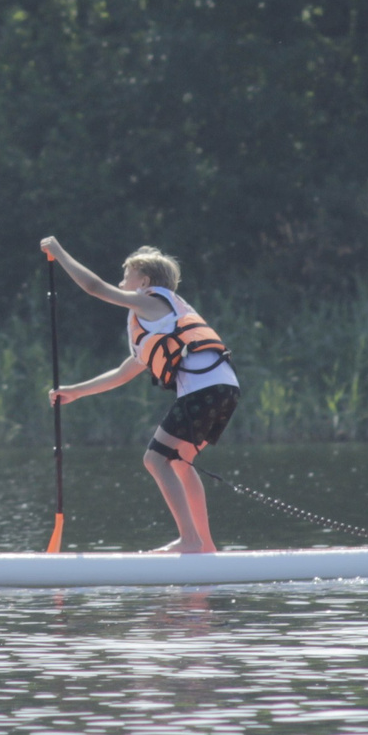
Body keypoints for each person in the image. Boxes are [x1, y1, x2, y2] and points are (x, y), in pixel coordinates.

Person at [40, 237, 239, 553]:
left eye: (126, 276)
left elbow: (94, 287)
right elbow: (123, 373)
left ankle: (190, 540)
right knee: (180, 463)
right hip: (225, 389)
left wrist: (58, 252)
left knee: (155, 459)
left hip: (205, 390)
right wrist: (75, 392)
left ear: (144, 282)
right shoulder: (160, 321)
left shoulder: (150, 302)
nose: (121, 282)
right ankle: (205, 547)